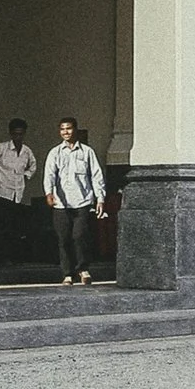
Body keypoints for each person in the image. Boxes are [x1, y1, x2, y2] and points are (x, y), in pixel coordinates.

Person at [43, 116, 108, 285]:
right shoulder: (55, 153)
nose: (66, 132)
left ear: (75, 130)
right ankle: (67, 273)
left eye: (69, 128)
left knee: (79, 236)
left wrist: (100, 199)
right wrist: (49, 193)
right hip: (61, 204)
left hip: (82, 202)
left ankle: (83, 269)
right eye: (63, 129)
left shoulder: (87, 152)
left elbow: (96, 175)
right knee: (63, 239)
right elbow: (49, 175)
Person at [0, 117, 39, 267]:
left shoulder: (26, 151)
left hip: (18, 193)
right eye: (15, 134)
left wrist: (26, 176)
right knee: (2, 227)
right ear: (11, 134)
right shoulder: (2, 148)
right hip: (2, 191)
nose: (18, 137)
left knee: (15, 227)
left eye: (21, 134)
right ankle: (2, 258)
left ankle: (15, 257)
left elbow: (33, 166)